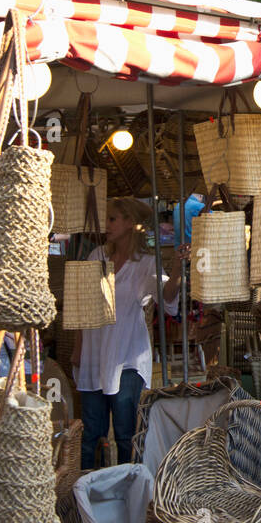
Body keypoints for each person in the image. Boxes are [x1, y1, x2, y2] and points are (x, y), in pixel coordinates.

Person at [73, 196, 185, 470]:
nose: (107, 224)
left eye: (112, 218)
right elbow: (81, 306)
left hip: (127, 358)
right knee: (91, 434)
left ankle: (127, 490)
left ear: (130, 223)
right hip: (94, 356)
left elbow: (167, 297)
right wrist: (78, 347)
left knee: (125, 434)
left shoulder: (145, 264)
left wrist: (178, 267)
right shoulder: (96, 256)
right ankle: (88, 491)